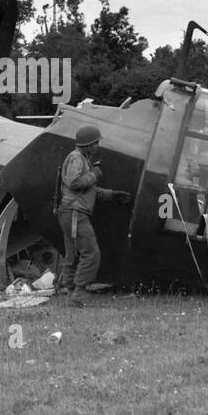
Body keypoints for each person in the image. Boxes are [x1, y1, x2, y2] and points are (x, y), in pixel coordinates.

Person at [55, 125, 130, 306]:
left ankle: (71, 292)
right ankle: (78, 294)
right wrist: (94, 174)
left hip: (70, 211)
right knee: (91, 253)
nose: (97, 146)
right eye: (95, 142)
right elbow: (74, 183)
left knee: (73, 253)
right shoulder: (77, 158)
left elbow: (86, 190)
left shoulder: (81, 159)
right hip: (75, 213)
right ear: (87, 144)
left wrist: (112, 195)